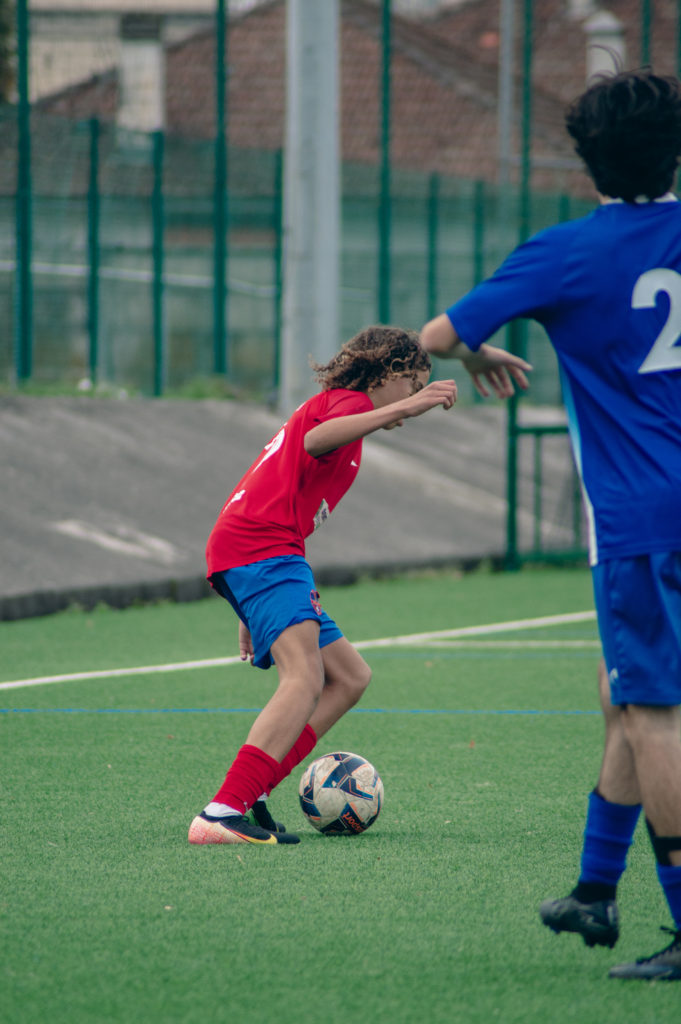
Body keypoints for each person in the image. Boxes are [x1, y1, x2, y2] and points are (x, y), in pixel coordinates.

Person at [420, 68, 681, 981]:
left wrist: (477, 350)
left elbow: (434, 338)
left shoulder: (567, 252)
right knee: (623, 696)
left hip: (644, 517)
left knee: (654, 712)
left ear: (586, 160)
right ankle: (594, 890)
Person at [188, 325, 462, 847]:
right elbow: (316, 441)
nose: (413, 400)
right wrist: (408, 407)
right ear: (387, 375)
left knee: (350, 677)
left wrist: (250, 607)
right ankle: (222, 811)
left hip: (264, 552)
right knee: (305, 678)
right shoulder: (346, 406)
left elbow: (278, 483)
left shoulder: (342, 413)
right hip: (261, 548)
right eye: (412, 385)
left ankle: (254, 790)